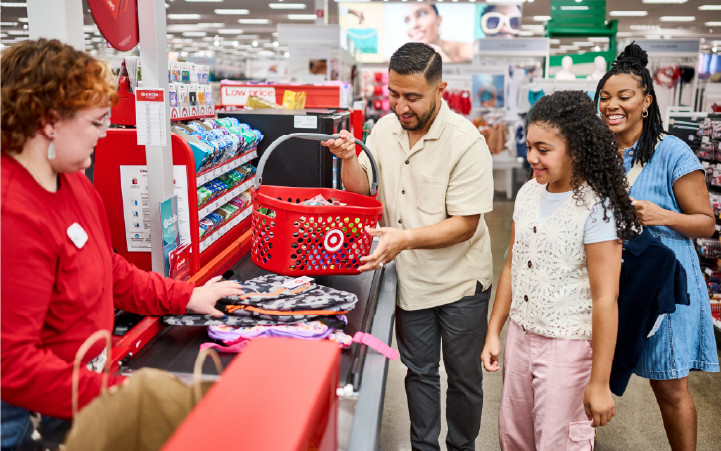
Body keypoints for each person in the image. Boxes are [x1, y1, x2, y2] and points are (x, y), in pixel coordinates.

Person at [0, 39, 243, 450]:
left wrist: (187, 296)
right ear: (47, 121)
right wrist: (120, 396)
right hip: (25, 420)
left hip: (79, 390)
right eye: (96, 123)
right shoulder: (12, 214)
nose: (106, 133)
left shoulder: (74, 181)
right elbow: (11, 365)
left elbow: (107, 268)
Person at [322, 42, 494, 451]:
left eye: (413, 97)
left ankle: (462, 446)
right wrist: (349, 158)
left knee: (464, 377)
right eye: (394, 94)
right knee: (418, 374)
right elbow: (363, 190)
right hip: (410, 283)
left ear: (441, 90)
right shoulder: (383, 130)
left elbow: (465, 225)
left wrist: (405, 240)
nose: (401, 106)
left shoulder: (466, 142)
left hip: (460, 284)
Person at [481, 90, 638, 450]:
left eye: (543, 149)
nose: (530, 156)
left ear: (577, 150)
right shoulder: (527, 194)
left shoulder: (597, 208)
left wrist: (599, 382)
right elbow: (512, 264)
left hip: (568, 347)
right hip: (520, 337)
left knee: (559, 441)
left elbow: (604, 299)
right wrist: (495, 330)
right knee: (514, 435)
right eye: (530, 146)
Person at [594, 42, 719, 451]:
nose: (613, 105)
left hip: (665, 284)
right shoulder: (598, 154)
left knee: (670, 386)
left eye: (624, 97)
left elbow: (706, 223)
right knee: (595, 374)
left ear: (646, 101)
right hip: (612, 279)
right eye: (605, 98)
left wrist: (660, 215)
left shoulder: (671, 151)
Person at [403, 4, 472, 63]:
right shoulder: (399, 61)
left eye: (421, 14)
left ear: (439, 19)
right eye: (407, 20)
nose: (413, 25)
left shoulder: (468, 50)